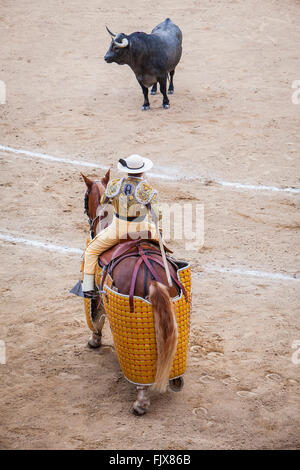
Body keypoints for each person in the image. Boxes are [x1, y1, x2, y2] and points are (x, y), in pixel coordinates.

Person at [82, 154, 160, 297]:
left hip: (118, 230)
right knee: (161, 245)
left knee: (91, 250)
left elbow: (104, 202)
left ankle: (87, 288)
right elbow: (157, 215)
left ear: (126, 170)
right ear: (142, 171)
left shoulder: (114, 185)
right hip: (142, 229)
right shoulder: (148, 190)